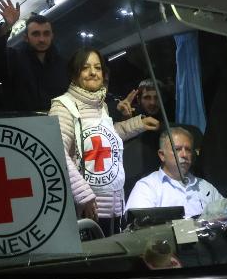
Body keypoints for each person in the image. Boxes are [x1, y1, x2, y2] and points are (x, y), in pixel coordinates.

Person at [49, 48, 160, 236]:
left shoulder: (101, 106)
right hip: (86, 207)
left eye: (98, 67)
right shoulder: (63, 106)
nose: (93, 72)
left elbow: (104, 137)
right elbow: (56, 151)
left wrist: (138, 123)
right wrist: (83, 195)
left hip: (114, 204)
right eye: (85, 68)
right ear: (74, 74)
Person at [0, 1, 68, 112]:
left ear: (52, 36)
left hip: (59, 124)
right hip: (23, 126)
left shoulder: (63, 65)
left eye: (46, 33)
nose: (41, 39)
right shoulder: (13, 59)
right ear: (26, 38)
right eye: (36, 34)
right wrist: (6, 26)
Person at [127, 126, 223, 217]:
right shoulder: (147, 188)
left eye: (188, 149)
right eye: (177, 149)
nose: (184, 154)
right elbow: (137, 229)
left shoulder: (205, 187)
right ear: (162, 155)